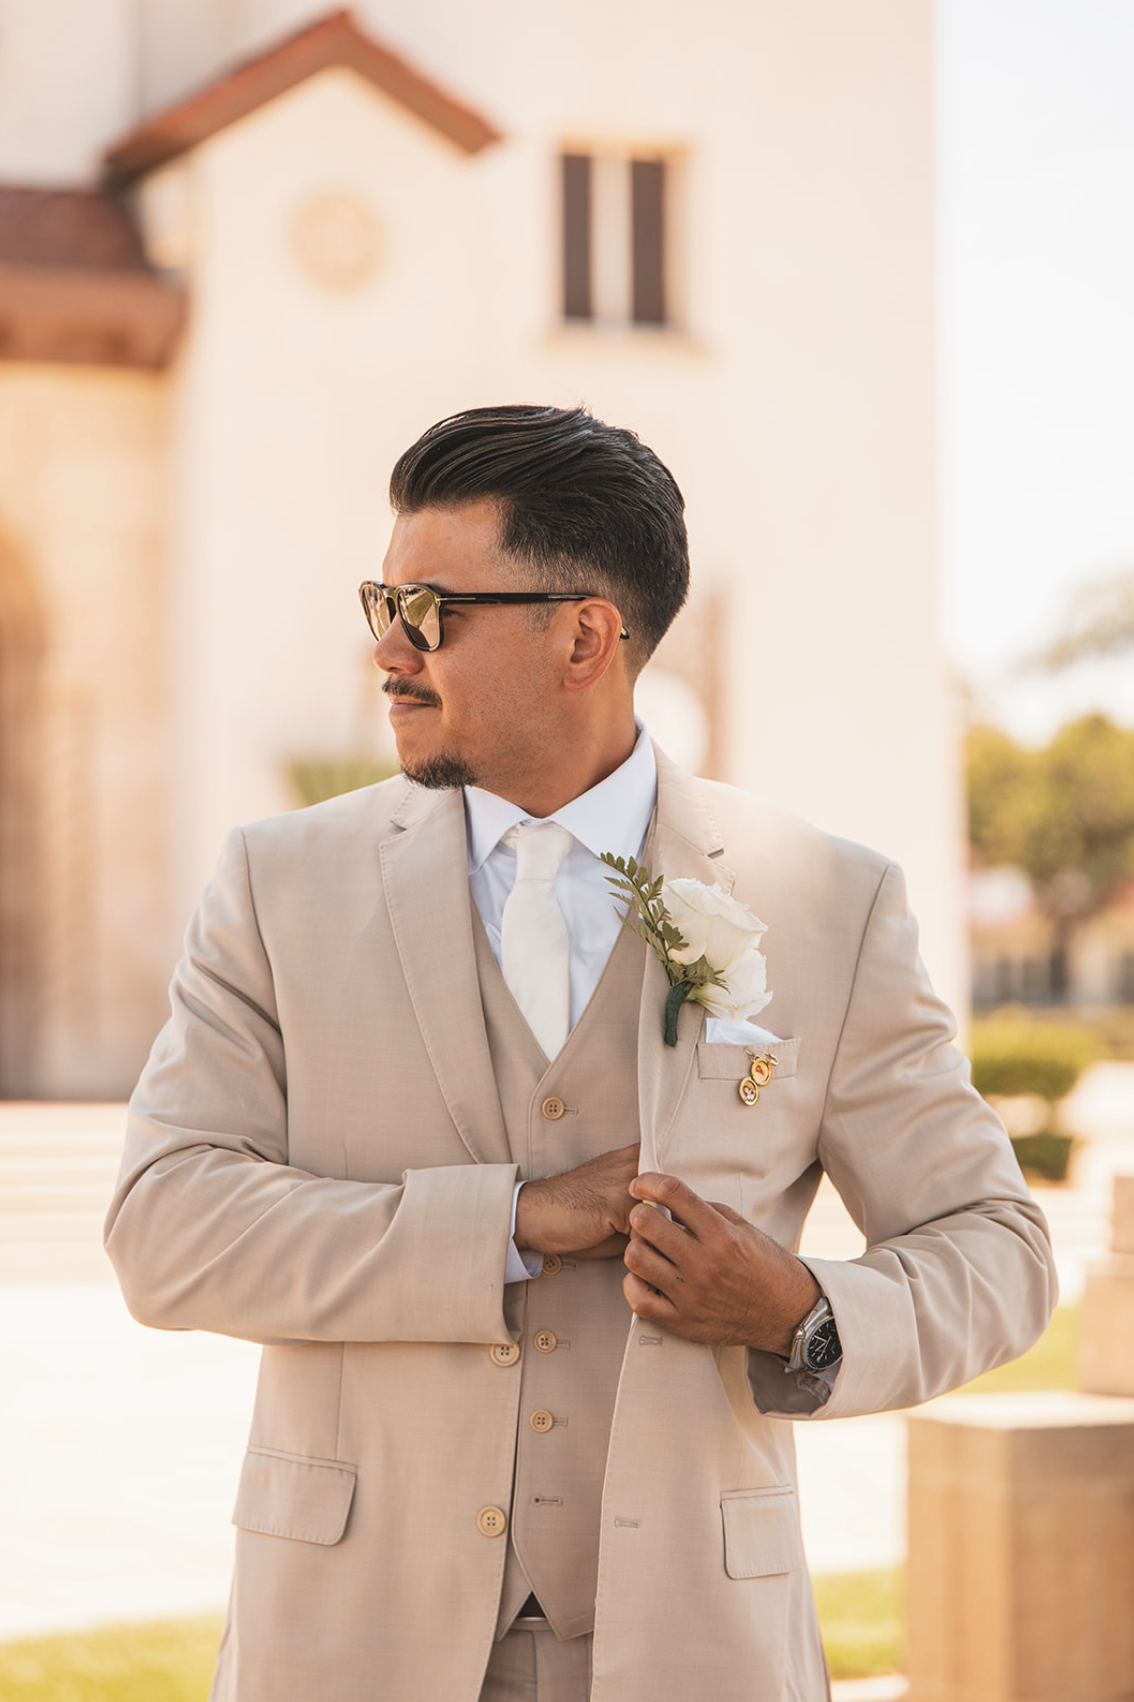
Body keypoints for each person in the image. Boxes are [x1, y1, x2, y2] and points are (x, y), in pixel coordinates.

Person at [106, 404, 1056, 1702]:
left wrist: (800, 1308)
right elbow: (164, 1227)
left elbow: (994, 1249)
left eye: (432, 607)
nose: (385, 647)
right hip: (348, 1636)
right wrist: (513, 1218)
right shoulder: (278, 885)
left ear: (583, 635)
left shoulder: (823, 901)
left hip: (691, 1649)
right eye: (382, 598)